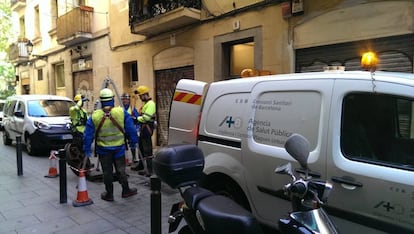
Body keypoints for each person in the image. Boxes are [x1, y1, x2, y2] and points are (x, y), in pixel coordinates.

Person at [83, 88, 138, 201]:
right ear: (112, 99)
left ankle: (109, 194)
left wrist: (87, 149)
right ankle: (126, 191)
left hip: (103, 150)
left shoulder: (94, 116)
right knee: (121, 170)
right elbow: (131, 129)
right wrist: (133, 141)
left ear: (101, 101)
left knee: (107, 172)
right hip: (119, 149)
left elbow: (87, 135)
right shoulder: (121, 112)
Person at [134, 85, 156, 176]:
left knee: (147, 150)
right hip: (143, 129)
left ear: (144, 95)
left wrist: (136, 119)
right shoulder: (145, 104)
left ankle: (150, 170)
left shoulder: (151, 104)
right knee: (141, 148)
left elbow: (146, 118)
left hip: (147, 129)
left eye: (140, 96)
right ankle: (141, 165)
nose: (139, 98)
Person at [121, 93, 140, 166]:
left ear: (129, 100)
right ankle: (126, 159)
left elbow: (137, 119)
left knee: (132, 144)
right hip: (122, 129)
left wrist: (137, 129)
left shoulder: (132, 109)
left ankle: (134, 158)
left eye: (126, 99)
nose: (125, 101)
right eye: (123, 99)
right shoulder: (120, 108)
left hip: (130, 129)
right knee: (123, 145)